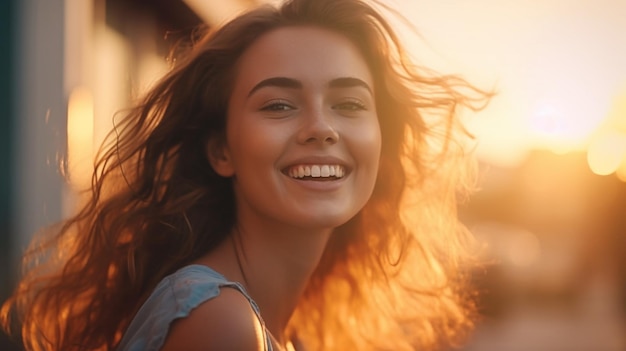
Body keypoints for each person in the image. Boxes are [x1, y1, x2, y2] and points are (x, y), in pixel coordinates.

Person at [1, 0, 491, 350]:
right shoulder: (221, 326)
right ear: (221, 150)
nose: (321, 128)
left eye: (349, 104)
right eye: (278, 104)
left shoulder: (261, 320)